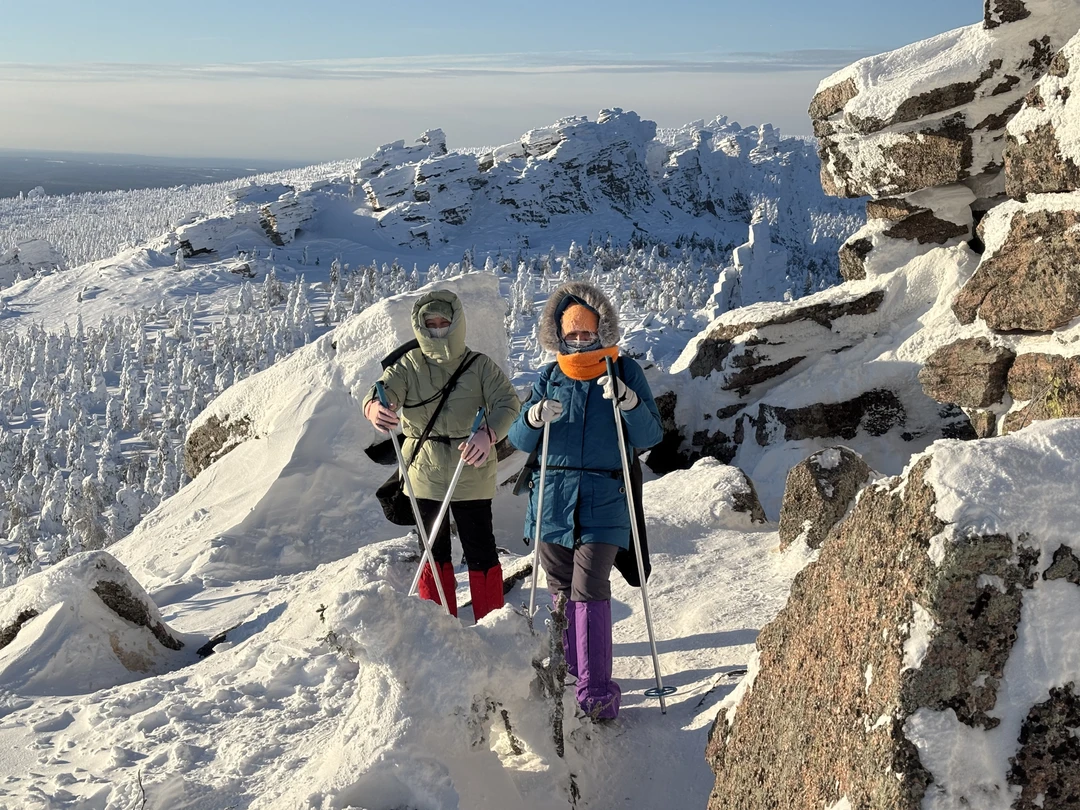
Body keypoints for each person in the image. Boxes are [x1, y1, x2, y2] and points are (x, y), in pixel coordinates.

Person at [509, 281, 663, 720]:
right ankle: (573, 673)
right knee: (560, 590)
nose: (579, 341)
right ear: (558, 335)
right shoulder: (550, 375)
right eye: (571, 334)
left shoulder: (622, 371)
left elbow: (650, 435)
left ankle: (596, 690)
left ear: (602, 331)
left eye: (587, 333)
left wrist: (630, 403)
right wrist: (533, 416)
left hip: (604, 495)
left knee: (590, 585)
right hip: (551, 497)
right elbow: (520, 439)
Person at [363, 290, 521, 621]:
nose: (436, 329)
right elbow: (382, 391)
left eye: (443, 323)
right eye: (429, 323)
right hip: (425, 471)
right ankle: (438, 625)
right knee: (432, 552)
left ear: (456, 324)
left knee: (481, 549)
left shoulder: (479, 366)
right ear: (419, 326)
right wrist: (375, 408)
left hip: (471, 465)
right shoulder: (408, 365)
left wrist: (488, 433)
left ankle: (491, 624)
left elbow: (508, 402)